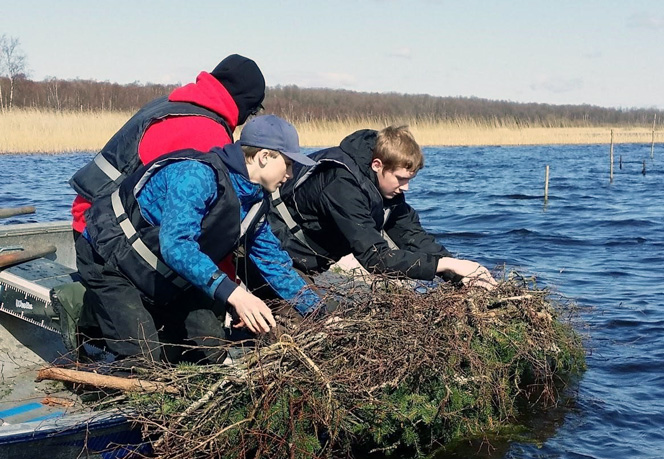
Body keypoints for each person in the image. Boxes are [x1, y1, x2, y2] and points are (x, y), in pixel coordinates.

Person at [76, 115, 323, 366]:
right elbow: (176, 245)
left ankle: (141, 320)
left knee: (211, 352)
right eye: (289, 164)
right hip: (110, 260)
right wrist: (236, 295)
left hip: (160, 275)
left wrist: (320, 312)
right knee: (141, 358)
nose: (291, 174)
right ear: (264, 157)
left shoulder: (255, 202)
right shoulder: (197, 175)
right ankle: (85, 317)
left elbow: (274, 264)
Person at [267, 126, 496, 288]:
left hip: (306, 263)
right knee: (314, 322)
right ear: (377, 165)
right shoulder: (341, 184)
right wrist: (445, 264)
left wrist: (458, 273)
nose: (405, 188)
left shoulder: (386, 187)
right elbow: (375, 259)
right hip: (275, 255)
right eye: (400, 179)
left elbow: (412, 236)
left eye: (409, 180)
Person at [69, 53, 266, 239]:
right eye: (253, 111)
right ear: (245, 104)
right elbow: (206, 218)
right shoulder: (208, 132)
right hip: (101, 234)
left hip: (89, 217)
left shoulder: (171, 104)